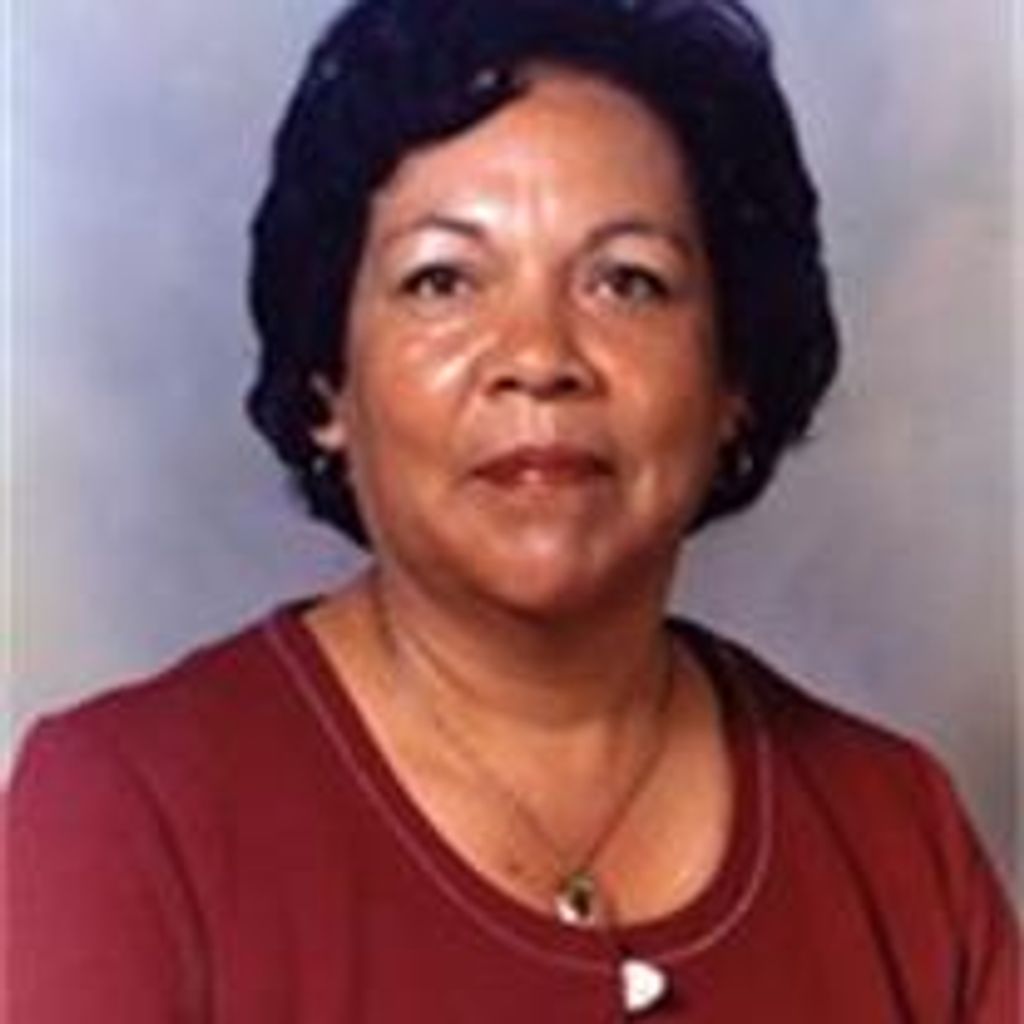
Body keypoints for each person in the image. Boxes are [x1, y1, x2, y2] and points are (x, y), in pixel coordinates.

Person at [8, 0, 1018, 1020]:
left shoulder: (896, 828)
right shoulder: (127, 815)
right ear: (328, 387)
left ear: (732, 384)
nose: (539, 357)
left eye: (628, 282)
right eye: (442, 280)